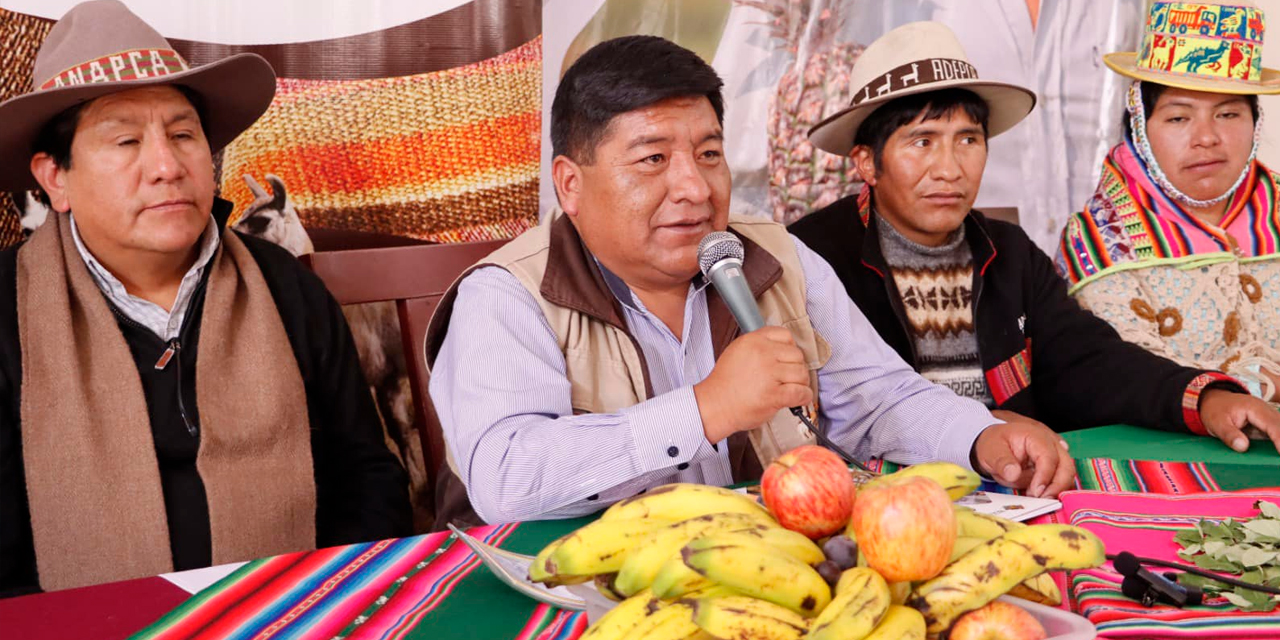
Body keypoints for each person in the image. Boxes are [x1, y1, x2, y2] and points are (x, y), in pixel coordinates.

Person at [426, 34, 1076, 528]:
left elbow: (878, 401)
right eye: (653, 159)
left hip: (754, 573)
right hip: (566, 592)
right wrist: (708, 407)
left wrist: (981, 434)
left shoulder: (772, 258)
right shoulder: (507, 294)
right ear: (571, 184)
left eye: (709, 154)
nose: (693, 187)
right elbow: (506, 474)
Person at [0, 0, 410, 596]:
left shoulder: (283, 286)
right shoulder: (10, 313)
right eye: (125, 142)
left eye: (183, 133)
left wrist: (324, 602)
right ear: (55, 178)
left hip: (291, 609)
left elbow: (366, 476)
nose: (167, 166)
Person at [791, 21, 1280, 460]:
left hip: (1015, 488)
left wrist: (1208, 399)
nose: (950, 168)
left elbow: (1091, 361)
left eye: (968, 139)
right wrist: (974, 431)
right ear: (866, 163)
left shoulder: (1009, 253)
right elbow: (837, 409)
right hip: (873, 497)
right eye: (922, 141)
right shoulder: (813, 258)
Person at [1058, 2, 1280, 414]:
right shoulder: (1103, 239)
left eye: (1228, 113)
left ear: (1256, 121)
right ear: (1140, 128)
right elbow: (1130, 377)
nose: (1207, 138)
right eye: (1179, 119)